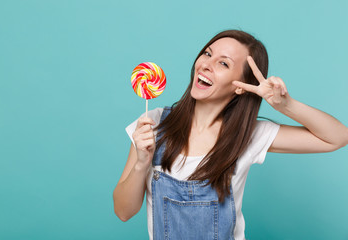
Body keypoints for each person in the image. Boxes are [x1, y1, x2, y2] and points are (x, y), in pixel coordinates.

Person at [113, 30, 348, 240]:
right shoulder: (152, 123)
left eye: (223, 64)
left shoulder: (249, 135)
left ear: (240, 86)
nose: (206, 64)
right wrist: (142, 164)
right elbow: (123, 212)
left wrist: (286, 106)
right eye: (207, 54)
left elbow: (337, 137)